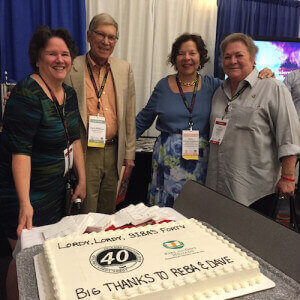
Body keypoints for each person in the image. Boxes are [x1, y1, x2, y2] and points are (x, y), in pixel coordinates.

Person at [136, 33, 272, 208]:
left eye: (192, 53)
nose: (187, 58)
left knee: (195, 207)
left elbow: (242, 87)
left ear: (200, 56)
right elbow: (143, 120)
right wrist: (122, 149)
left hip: (202, 160)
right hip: (167, 159)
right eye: (181, 53)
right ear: (174, 58)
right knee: (165, 209)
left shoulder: (214, 86)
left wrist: (261, 73)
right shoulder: (163, 86)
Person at [0, 26, 86, 299]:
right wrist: (25, 203)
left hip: (55, 191)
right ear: (37, 59)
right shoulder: (27, 94)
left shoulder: (68, 94)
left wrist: (81, 179)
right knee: (23, 259)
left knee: (46, 256)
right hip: (24, 193)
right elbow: (20, 153)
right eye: (52, 54)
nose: (60, 59)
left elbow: (74, 139)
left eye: (65, 53)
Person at [206, 33, 300, 218]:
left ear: (252, 57)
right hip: (218, 186)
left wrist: (288, 177)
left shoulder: (273, 88)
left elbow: (289, 136)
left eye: (239, 55)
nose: (233, 61)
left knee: (253, 242)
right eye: (227, 56)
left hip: (255, 192)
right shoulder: (219, 92)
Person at [65, 13, 136, 214]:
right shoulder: (72, 68)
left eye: (111, 37)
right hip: (86, 153)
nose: (106, 42)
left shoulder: (124, 68)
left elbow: (129, 113)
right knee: (85, 212)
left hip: (115, 152)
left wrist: (129, 154)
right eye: (100, 35)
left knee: (108, 211)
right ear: (89, 36)